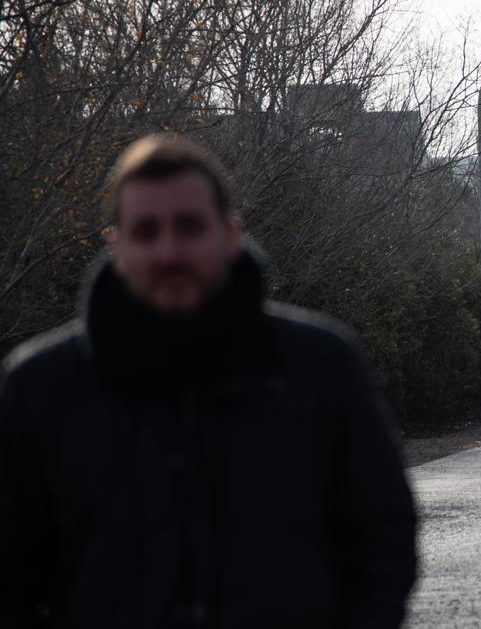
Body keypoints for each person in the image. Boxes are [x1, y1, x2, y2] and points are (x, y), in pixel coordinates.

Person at [0, 134, 417, 628]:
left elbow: (382, 537)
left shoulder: (321, 366)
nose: (169, 251)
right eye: (146, 231)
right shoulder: (41, 387)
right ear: (116, 244)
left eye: (190, 226)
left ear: (230, 233)